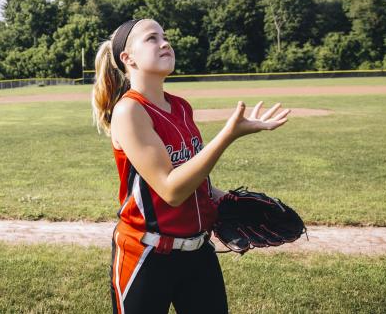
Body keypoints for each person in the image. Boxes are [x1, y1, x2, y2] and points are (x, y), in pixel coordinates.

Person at [91, 18, 290, 314]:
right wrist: (228, 135)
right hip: (147, 255)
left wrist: (223, 198)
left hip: (198, 252)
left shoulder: (181, 106)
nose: (165, 42)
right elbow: (171, 189)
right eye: (152, 38)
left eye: (165, 36)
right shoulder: (130, 110)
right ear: (127, 58)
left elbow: (193, 178)